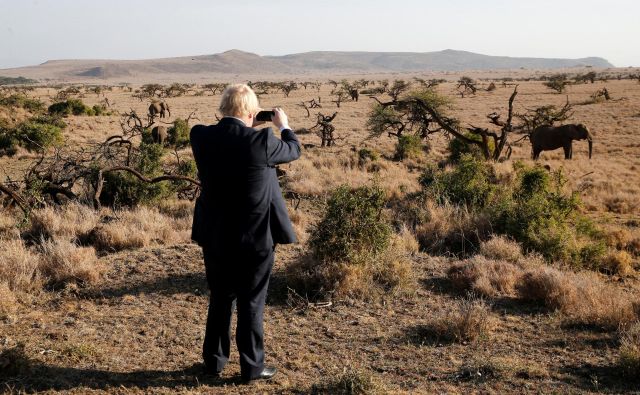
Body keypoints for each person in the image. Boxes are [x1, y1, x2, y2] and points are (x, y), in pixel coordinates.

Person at [190, 84, 300, 381]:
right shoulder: (262, 141)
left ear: (223, 109)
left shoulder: (199, 136)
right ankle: (251, 367)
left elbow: (227, 138)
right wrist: (284, 126)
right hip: (255, 237)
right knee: (251, 300)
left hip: (214, 234)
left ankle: (213, 362)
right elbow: (294, 150)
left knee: (220, 298)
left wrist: (248, 124)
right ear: (253, 112)